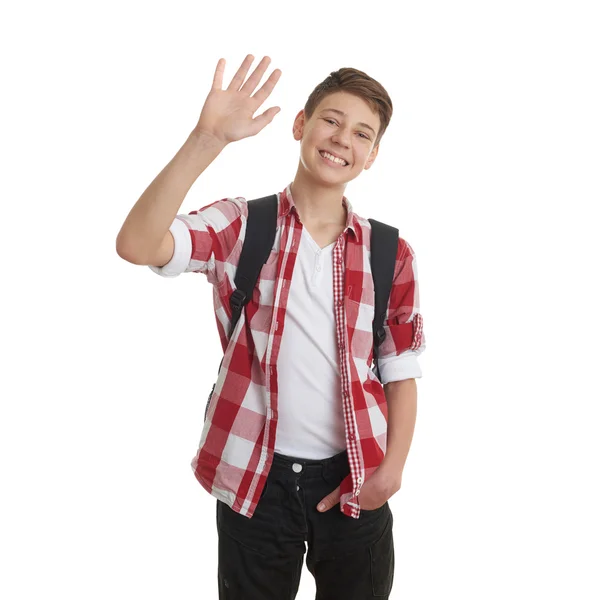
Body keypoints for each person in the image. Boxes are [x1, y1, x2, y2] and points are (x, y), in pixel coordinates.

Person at [116, 54, 425, 600]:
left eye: (361, 133)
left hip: (356, 477)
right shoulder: (242, 225)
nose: (341, 139)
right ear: (301, 124)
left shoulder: (389, 251)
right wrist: (206, 139)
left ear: (373, 155)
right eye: (330, 120)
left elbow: (400, 371)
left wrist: (391, 470)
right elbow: (138, 244)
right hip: (256, 480)